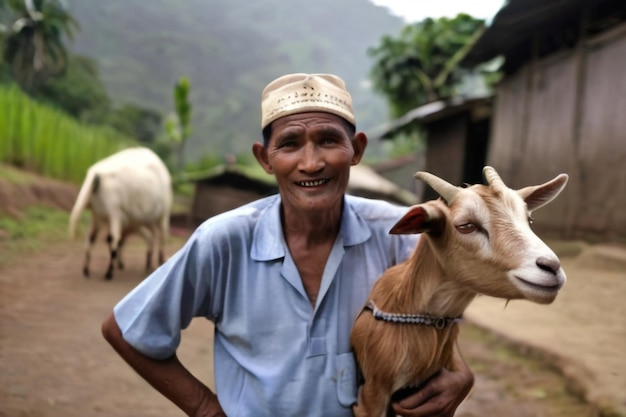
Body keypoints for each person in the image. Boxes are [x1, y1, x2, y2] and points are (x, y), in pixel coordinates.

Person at [102, 73, 474, 417]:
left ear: (356, 150)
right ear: (265, 159)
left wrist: (460, 372)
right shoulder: (224, 240)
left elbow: (437, 314)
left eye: (328, 140)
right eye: (290, 144)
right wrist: (206, 409)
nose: (311, 163)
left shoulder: (398, 232)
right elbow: (126, 329)